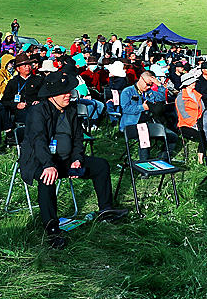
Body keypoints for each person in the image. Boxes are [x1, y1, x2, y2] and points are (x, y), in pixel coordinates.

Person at [20, 70, 128, 248]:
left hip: (66, 162)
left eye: (69, 90)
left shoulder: (70, 110)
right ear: (52, 94)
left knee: (100, 165)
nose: (68, 94)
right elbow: (38, 140)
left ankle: (106, 210)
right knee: (47, 179)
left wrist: (77, 159)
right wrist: (48, 165)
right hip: (40, 161)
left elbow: (78, 138)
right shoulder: (38, 111)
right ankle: (52, 229)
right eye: (64, 92)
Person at [1, 53, 44, 124]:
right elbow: (4, 101)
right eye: (24, 66)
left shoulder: (39, 80)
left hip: (35, 109)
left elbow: (45, 97)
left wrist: (39, 101)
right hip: (18, 111)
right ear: (18, 68)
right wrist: (16, 105)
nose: (27, 67)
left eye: (29, 65)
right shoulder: (13, 82)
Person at [175, 68, 206, 162]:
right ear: (186, 84)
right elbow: (183, 115)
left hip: (199, 121)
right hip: (185, 125)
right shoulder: (181, 98)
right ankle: (201, 156)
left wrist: (203, 120)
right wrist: (194, 124)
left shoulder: (197, 95)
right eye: (192, 82)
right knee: (203, 134)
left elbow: (203, 109)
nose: (194, 83)